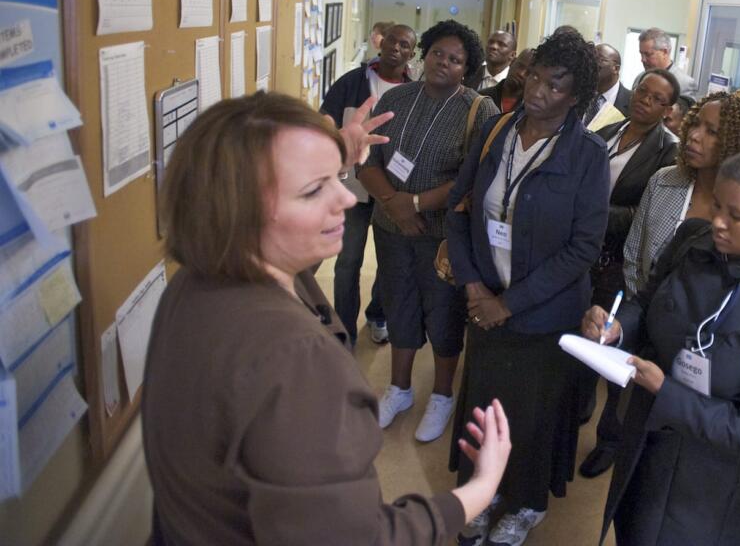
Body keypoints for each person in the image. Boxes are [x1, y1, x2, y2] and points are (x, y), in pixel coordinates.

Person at [143, 92, 511, 545]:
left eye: (337, 177)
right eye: (313, 189)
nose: (345, 198)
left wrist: (334, 153)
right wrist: (478, 490)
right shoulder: (297, 362)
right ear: (240, 211)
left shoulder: (193, 284)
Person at [583, 148, 740, 546]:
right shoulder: (693, 240)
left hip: (707, 482)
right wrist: (615, 328)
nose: (718, 223)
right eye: (716, 206)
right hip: (645, 441)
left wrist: (666, 391)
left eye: (737, 216)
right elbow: (646, 302)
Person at [446, 30, 610, 546]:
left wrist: (508, 304)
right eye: (536, 76)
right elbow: (459, 207)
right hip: (485, 299)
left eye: (556, 85)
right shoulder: (495, 129)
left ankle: (525, 502)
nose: (539, 90)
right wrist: (474, 288)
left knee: (531, 414)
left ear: (575, 95)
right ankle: (482, 493)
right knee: (484, 405)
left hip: (545, 314)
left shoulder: (587, 154)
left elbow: (584, 248)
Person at [358, 20, 499, 441]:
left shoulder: (479, 109)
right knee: (398, 304)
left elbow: (473, 181)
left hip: (442, 238)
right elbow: (366, 160)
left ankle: (441, 396)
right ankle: (399, 389)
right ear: (425, 53)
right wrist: (393, 204)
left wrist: (415, 203)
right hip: (389, 228)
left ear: (467, 68)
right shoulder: (397, 97)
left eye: (456, 59)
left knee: (442, 315)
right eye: (438, 52)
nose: (444, 63)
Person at [578, 69, 680, 479]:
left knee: (611, 350)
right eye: (643, 91)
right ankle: (577, 408)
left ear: (668, 110)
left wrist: (594, 215)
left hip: (621, 260)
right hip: (583, 252)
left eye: (657, 99)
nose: (645, 101)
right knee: (582, 334)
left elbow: (649, 214)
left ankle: (609, 439)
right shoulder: (609, 129)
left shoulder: (667, 152)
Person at [622, 90, 740, 297]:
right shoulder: (663, 180)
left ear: (739, 142)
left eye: (712, 132)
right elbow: (633, 256)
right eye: (695, 124)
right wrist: (641, 312)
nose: (694, 136)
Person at [320, 23, 416, 344]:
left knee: (389, 265)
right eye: (391, 41)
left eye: (404, 45)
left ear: (412, 54)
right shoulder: (352, 82)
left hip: (392, 190)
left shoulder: (416, 91)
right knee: (348, 262)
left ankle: (378, 315)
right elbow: (325, 122)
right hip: (354, 190)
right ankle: (343, 329)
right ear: (380, 42)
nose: (396, 48)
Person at [634, 27, 697, 98]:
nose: (643, 59)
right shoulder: (640, 78)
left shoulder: (684, 83)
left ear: (664, 52)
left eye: (648, 54)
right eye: (641, 54)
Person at [585, 43, 633, 127]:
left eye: (599, 59)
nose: (592, 63)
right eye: (591, 58)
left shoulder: (631, 101)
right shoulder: (579, 93)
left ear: (616, 68)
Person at [479, 49, 534, 114]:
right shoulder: (481, 97)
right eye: (520, 66)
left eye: (528, 72)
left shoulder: (529, 111)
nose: (521, 74)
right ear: (512, 62)